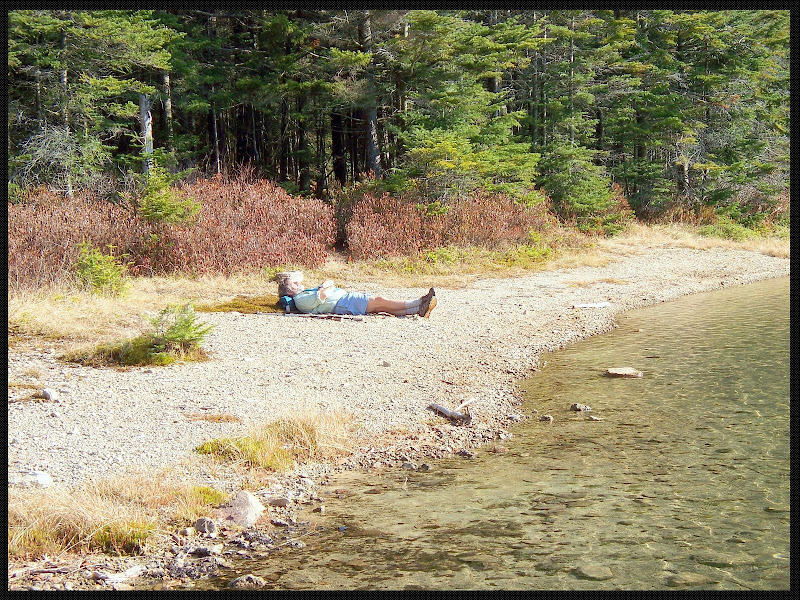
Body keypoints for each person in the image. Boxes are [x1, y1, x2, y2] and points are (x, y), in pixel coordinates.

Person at [276, 271, 436, 318]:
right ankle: (419, 301)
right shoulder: (301, 300)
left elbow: (329, 283)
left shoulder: (305, 294)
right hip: (343, 302)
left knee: (381, 307)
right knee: (379, 300)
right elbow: (326, 292)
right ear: (288, 290)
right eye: (293, 283)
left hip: (344, 300)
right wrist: (325, 286)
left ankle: (418, 310)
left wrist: (326, 285)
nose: (298, 283)